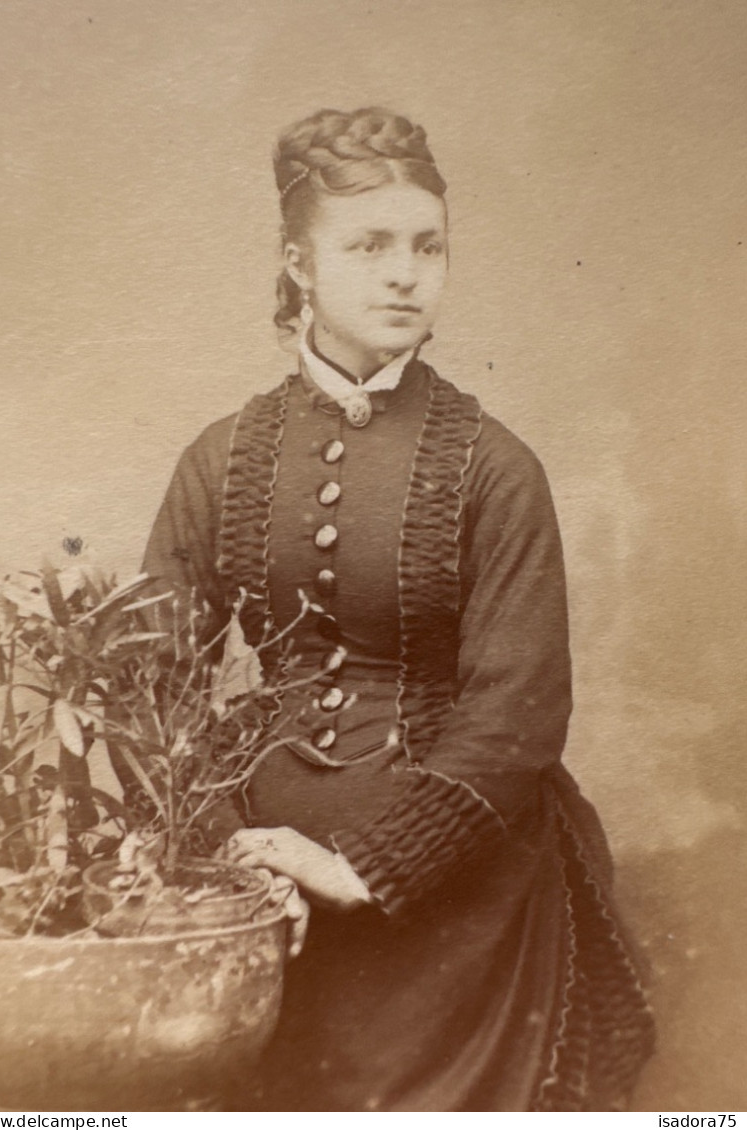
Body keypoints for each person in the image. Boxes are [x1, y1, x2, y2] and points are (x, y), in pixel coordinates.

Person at [140, 106, 655, 1112]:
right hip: (266, 895)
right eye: (368, 244)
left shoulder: (495, 467)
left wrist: (361, 867)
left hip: (457, 901)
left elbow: (517, 715)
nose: (404, 273)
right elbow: (152, 700)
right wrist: (233, 861)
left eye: (428, 245)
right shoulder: (222, 459)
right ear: (298, 261)